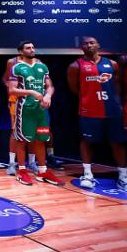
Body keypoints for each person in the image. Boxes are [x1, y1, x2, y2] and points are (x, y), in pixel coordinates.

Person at [66, 36, 126, 190]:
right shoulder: (75, 66)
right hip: (89, 111)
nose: (89, 45)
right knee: (87, 142)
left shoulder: (112, 64)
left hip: (112, 111)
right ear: (81, 48)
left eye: (92, 43)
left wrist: (116, 103)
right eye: (85, 43)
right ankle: (87, 174)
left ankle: (123, 176)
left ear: (98, 45)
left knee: (118, 142)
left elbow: (117, 86)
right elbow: (74, 89)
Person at [7, 41, 64, 187]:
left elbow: (49, 86)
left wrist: (48, 96)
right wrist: (31, 92)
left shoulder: (42, 66)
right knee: (21, 140)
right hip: (25, 108)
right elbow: (12, 90)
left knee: (41, 138)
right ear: (21, 51)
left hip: (41, 110)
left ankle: (43, 171)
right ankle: (22, 170)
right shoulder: (16, 68)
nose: (32, 50)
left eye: (32, 47)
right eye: (28, 48)